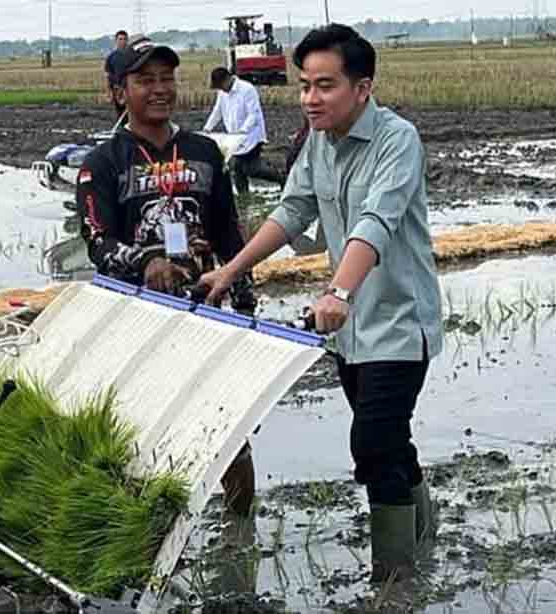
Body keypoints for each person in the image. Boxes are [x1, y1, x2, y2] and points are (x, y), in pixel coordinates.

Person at [199, 24, 443, 583]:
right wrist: (231, 270)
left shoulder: (396, 140)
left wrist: (337, 290)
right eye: (304, 85)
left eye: (325, 86)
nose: (310, 99)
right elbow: (292, 213)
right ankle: (425, 537)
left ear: (362, 87)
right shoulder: (317, 146)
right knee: (389, 437)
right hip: (349, 330)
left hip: (399, 323)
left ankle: (395, 579)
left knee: (373, 443)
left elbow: (376, 223)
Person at [75, 35, 258, 517]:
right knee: (145, 433)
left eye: (167, 79)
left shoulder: (203, 152)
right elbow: (98, 244)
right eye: (144, 81)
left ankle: (240, 537)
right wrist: (146, 262)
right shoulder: (101, 165)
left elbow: (229, 234)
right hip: (137, 324)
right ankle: (148, 535)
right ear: (118, 92)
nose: (160, 89)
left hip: (204, 313)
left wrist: (244, 299)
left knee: (229, 430)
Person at [202, 67, 285, 195]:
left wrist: (242, 131)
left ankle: (281, 178)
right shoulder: (222, 93)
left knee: (251, 169)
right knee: (237, 168)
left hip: (251, 136)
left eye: (221, 85)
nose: (221, 89)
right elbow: (217, 111)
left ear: (228, 79)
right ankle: (243, 197)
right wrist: (207, 128)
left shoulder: (247, 89)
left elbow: (254, 114)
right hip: (235, 138)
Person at [104, 30, 129, 119]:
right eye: (120, 39)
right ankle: (122, 131)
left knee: (131, 113)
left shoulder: (132, 56)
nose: (123, 41)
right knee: (120, 114)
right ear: (116, 41)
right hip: (117, 89)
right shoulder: (111, 57)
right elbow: (107, 75)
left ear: (127, 40)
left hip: (130, 89)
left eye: (125, 39)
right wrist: (108, 92)